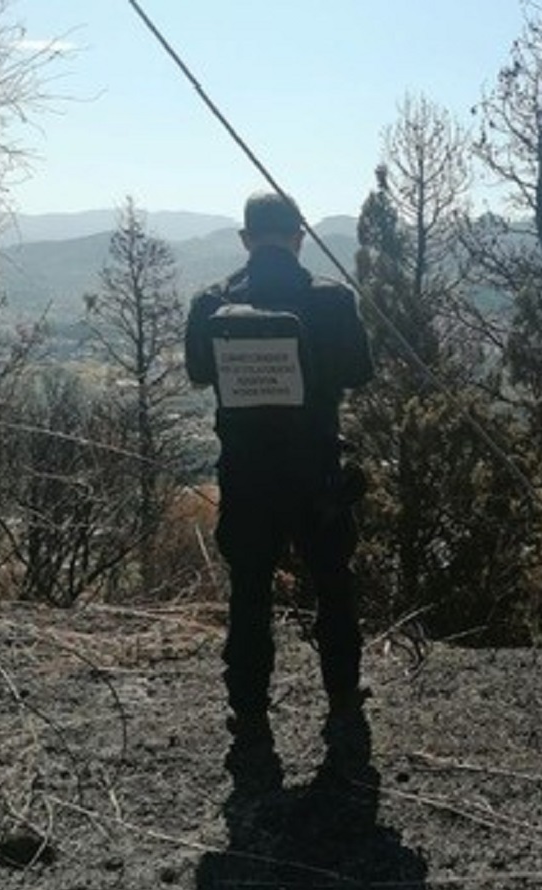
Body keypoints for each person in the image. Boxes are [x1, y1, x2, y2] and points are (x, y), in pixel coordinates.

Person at [185, 190, 374, 790]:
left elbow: (197, 372)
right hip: (316, 472)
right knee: (334, 587)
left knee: (250, 594)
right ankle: (343, 701)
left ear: (246, 240)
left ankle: (249, 715)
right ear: (299, 237)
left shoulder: (212, 302)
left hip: (246, 475)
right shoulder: (331, 300)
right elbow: (360, 373)